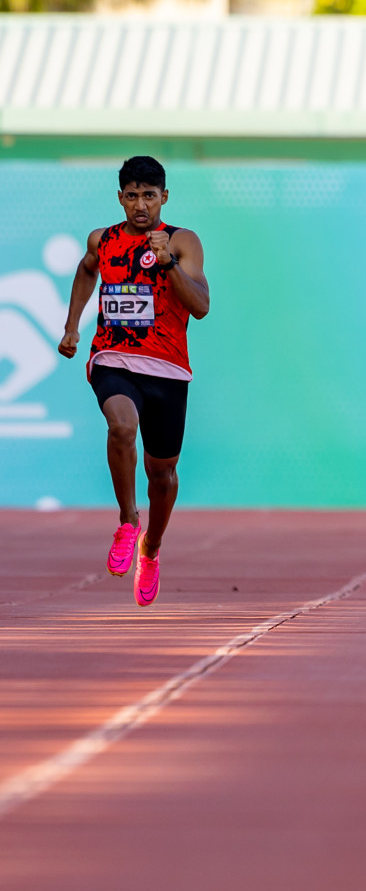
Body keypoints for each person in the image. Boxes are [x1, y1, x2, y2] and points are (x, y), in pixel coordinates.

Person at [56, 156, 210, 607]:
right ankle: (128, 521)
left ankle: (152, 548)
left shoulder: (182, 241)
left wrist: (168, 265)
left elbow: (200, 305)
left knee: (162, 474)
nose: (140, 205)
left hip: (167, 369)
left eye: (149, 195)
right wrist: (72, 326)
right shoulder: (103, 239)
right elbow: (88, 269)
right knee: (121, 426)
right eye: (131, 196)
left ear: (164, 196)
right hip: (113, 357)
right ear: (120, 197)